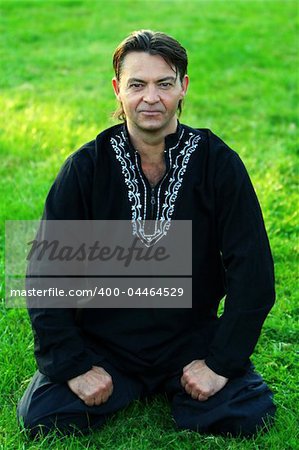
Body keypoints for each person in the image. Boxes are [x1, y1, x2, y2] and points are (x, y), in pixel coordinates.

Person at [17, 30, 276, 438]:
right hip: (105, 340)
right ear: (118, 90)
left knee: (250, 413)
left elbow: (253, 270)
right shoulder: (86, 167)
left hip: (189, 340)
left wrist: (219, 365)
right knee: (43, 415)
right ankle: (123, 383)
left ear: (183, 87)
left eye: (164, 83)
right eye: (137, 84)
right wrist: (75, 366)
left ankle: (178, 386)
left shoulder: (218, 164)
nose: (150, 97)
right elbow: (47, 274)